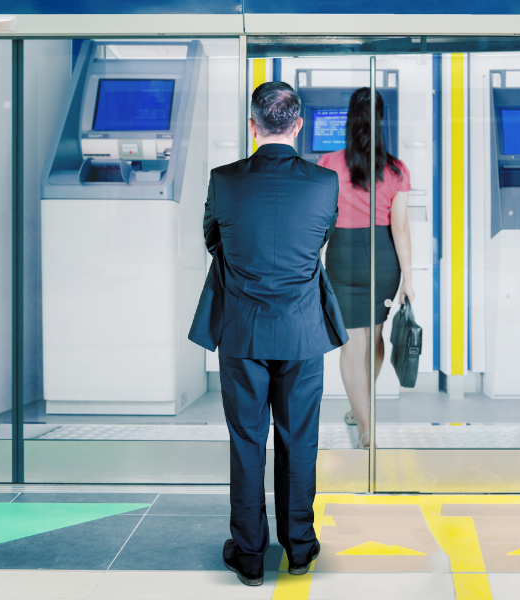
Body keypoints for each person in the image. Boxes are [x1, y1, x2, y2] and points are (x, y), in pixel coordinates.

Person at [188, 81, 347, 587]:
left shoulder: (224, 180)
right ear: (297, 126)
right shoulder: (324, 184)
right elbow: (322, 240)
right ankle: (299, 547)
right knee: (299, 440)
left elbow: (213, 241)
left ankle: (250, 554)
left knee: (247, 440)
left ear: (253, 126)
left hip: (244, 330)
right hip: (302, 333)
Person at [318, 88, 414, 449]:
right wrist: (408, 278)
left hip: (342, 254)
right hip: (383, 256)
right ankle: (362, 407)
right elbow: (401, 227)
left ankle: (364, 426)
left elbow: (319, 219)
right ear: (381, 120)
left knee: (351, 345)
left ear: (349, 119)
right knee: (373, 338)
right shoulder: (396, 169)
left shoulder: (327, 163)